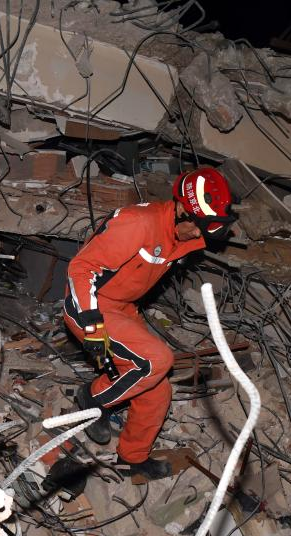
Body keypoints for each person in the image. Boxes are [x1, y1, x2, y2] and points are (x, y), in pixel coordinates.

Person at [63, 167, 237, 481]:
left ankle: (131, 459)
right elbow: (82, 268)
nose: (199, 237)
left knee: (158, 389)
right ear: (183, 209)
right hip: (89, 304)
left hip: (122, 308)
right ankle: (92, 398)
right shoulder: (138, 224)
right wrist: (92, 324)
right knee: (156, 360)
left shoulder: (179, 235)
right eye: (197, 228)